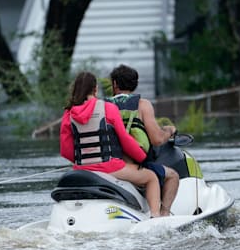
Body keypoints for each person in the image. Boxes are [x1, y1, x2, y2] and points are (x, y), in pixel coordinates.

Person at [60, 71, 162, 217]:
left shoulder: (68, 113)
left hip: (82, 169)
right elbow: (125, 140)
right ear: (95, 89)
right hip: (110, 168)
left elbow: (66, 150)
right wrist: (141, 158)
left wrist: (86, 162)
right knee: (151, 177)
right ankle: (155, 217)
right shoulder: (108, 108)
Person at [108, 64, 179, 216]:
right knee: (172, 176)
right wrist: (169, 131)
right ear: (135, 84)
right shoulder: (142, 105)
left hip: (107, 163)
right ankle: (163, 215)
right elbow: (157, 140)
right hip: (132, 166)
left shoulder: (103, 106)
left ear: (114, 84)